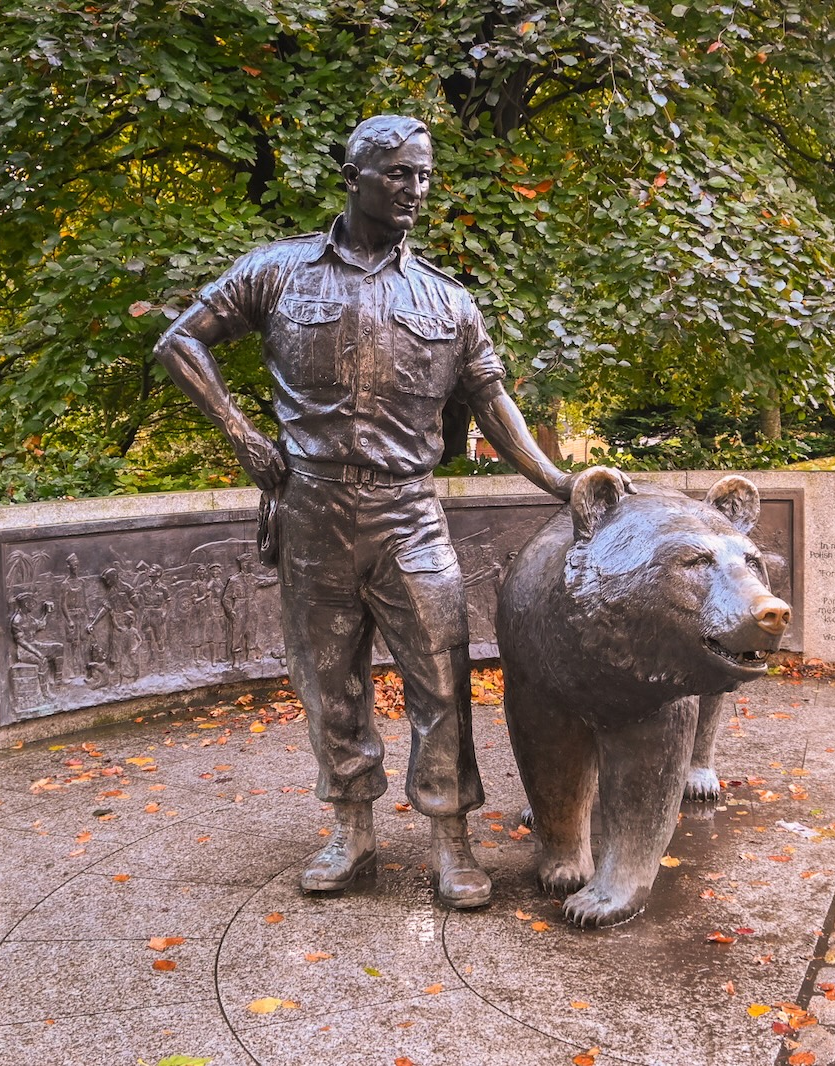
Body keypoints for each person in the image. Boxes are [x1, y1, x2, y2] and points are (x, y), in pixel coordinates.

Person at [153, 115, 601, 910]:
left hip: (408, 513)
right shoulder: (279, 272)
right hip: (311, 513)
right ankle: (350, 830)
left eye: (424, 176)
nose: (414, 190)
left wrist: (557, 482)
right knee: (330, 683)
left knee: (443, 678)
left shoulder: (447, 300)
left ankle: (451, 841)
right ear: (354, 175)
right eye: (398, 173)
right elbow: (181, 342)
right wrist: (242, 436)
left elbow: (491, 400)